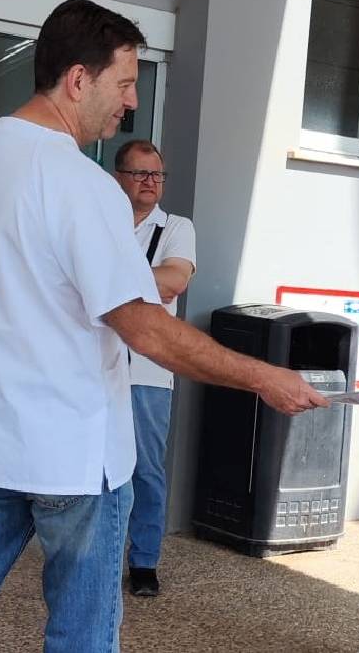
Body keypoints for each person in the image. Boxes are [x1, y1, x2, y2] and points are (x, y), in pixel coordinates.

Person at [0, 0, 326, 653]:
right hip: (70, 455)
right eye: (125, 83)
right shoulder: (81, 182)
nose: (130, 100)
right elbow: (146, 330)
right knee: (82, 634)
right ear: (78, 79)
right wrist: (262, 377)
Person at [112, 139, 195, 597]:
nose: (151, 183)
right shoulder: (102, 221)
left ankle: (144, 560)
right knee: (100, 468)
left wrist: (108, 277)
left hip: (147, 369)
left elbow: (173, 281)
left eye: (157, 175)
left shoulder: (176, 227)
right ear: (118, 177)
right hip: (97, 365)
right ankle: (100, 555)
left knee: (145, 469)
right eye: (141, 174)